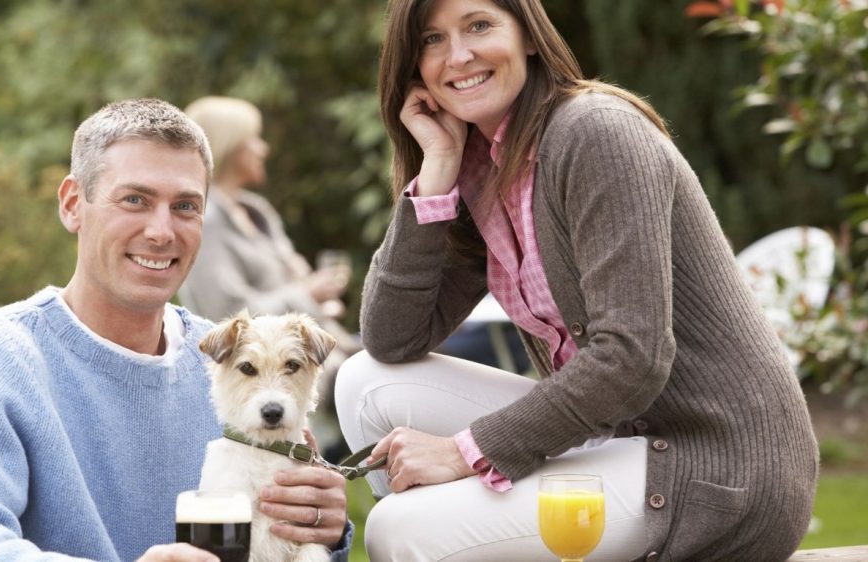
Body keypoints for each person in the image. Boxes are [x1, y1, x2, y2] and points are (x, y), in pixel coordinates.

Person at [334, 1, 818, 561]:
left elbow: (631, 355)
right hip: (614, 436)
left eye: (480, 26)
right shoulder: (477, 168)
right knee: (364, 382)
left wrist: (466, 454)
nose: (458, 56)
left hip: (713, 464)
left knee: (400, 529)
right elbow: (392, 339)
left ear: (530, 37)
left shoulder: (597, 133)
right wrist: (438, 167)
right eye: (431, 40)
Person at [0, 98, 352, 562]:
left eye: (185, 206)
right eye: (135, 200)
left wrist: (325, 525)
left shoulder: (232, 365)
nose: (162, 231)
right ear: (73, 204)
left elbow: (292, 534)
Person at [177, 96, 361, 459]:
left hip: (328, 347)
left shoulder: (256, 211)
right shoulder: (208, 221)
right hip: (271, 368)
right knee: (388, 377)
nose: (264, 148)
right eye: (254, 139)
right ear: (228, 147)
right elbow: (224, 308)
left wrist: (315, 297)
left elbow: (297, 275)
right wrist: (306, 294)